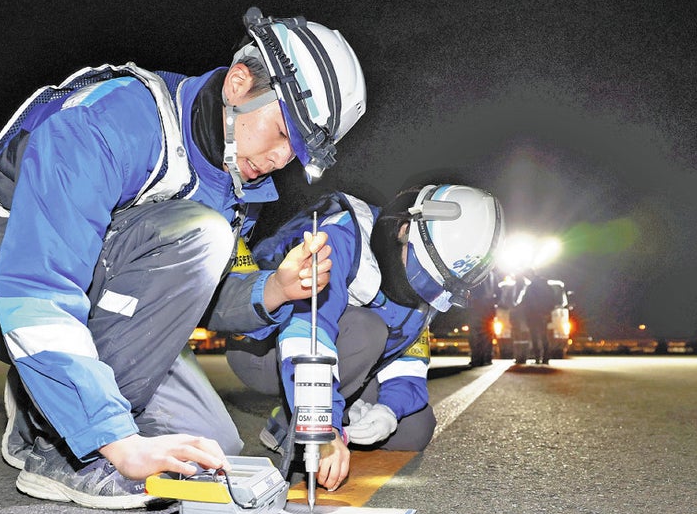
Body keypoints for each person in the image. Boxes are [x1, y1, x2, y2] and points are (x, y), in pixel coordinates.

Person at [0, 7, 367, 509]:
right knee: (202, 235)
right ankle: (64, 448)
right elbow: (39, 283)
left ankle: (44, 400)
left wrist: (275, 289)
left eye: (297, 152)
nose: (280, 159)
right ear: (238, 83)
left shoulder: (235, 188)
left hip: (87, 291)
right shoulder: (115, 120)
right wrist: (117, 445)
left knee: (210, 448)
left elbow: (191, 295)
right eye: (281, 131)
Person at [225, 184, 505, 492]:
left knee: (415, 428)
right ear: (404, 229)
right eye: (423, 277)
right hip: (263, 349)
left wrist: (388, 411)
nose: (424, 293)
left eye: (435, 288)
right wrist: (323, 426)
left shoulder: (433, 288)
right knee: (367, 330)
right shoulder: (340, 239)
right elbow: (306, 336)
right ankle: (299, 424)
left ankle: (308, 414)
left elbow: (409, 367)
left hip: (344, 361)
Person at [517, 268, 559, 364]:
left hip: (533, 314)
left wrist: (519, 307)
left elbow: (526, 300)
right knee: (543, 336)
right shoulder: (544, 284)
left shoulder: (531, 286)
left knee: (535, 336)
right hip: (542, 314)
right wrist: (548, 311)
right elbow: (552, 299)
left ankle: (538, 358)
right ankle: (545, 358)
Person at [466, 275, 499, 367]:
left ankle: (480, 358)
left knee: (479, 334)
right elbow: (498, 292)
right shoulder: (492, 277)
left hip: (480, 308)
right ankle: (484, 358)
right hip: (486, 308)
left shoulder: (479, 274)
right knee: (485, 334)